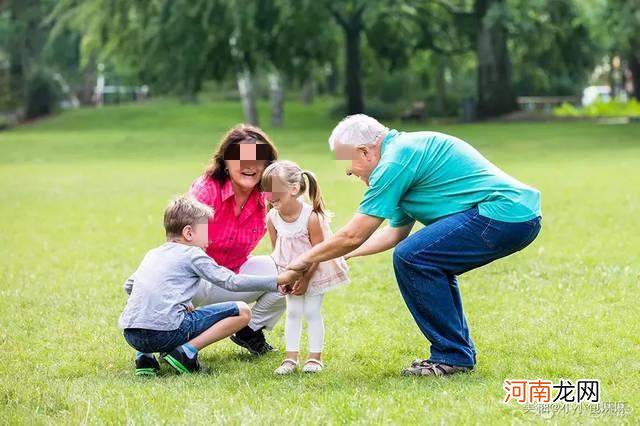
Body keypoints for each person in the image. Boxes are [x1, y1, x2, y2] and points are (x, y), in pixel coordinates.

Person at [287, 114, 542, 377]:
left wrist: (302, 261)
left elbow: (354, 234)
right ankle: (456, 354)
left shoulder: (395, 160)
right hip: (514, 216)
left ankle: (452, 355)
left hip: (503, 213)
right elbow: (395, 232)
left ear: (364, 152)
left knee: (413, 256)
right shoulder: (401, 156)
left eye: (347, 161)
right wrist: (338, 257)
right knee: (420, 257)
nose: (349, 171)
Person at [118, 195, 299, 375]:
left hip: (132, 335)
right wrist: (277, 280)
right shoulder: (192, 254)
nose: (209, 240)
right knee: (243, 311)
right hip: (166, 333)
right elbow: (231, 281)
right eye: (205, 232)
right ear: (188, 233)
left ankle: (145, 358)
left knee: (149, 314)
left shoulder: (153, 254)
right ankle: (186, 353)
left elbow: (130, 286)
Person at [189, 125, 284, 355]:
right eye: (241, 158)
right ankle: (177, 336)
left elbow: (288, 237)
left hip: (232, 276)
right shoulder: (206, 190)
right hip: (194, 281)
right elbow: (186, 251)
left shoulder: (269, 192)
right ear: (226, 161)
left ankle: (249, 331)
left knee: (288, 270)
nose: (250, 166)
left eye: (258, 160)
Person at [261, 161, 349, 375]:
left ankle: (314, 358)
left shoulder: (311, 217)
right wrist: (283, 277)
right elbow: (277, 251)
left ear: (293, 189)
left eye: (274, 191)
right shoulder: (272, 217)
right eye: (266, 191)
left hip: (314, 272)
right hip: (289, 273)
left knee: (311, 311)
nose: (269, 196)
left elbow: (319, 252)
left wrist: (306, 278)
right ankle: (291, 358)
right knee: (292, 312)